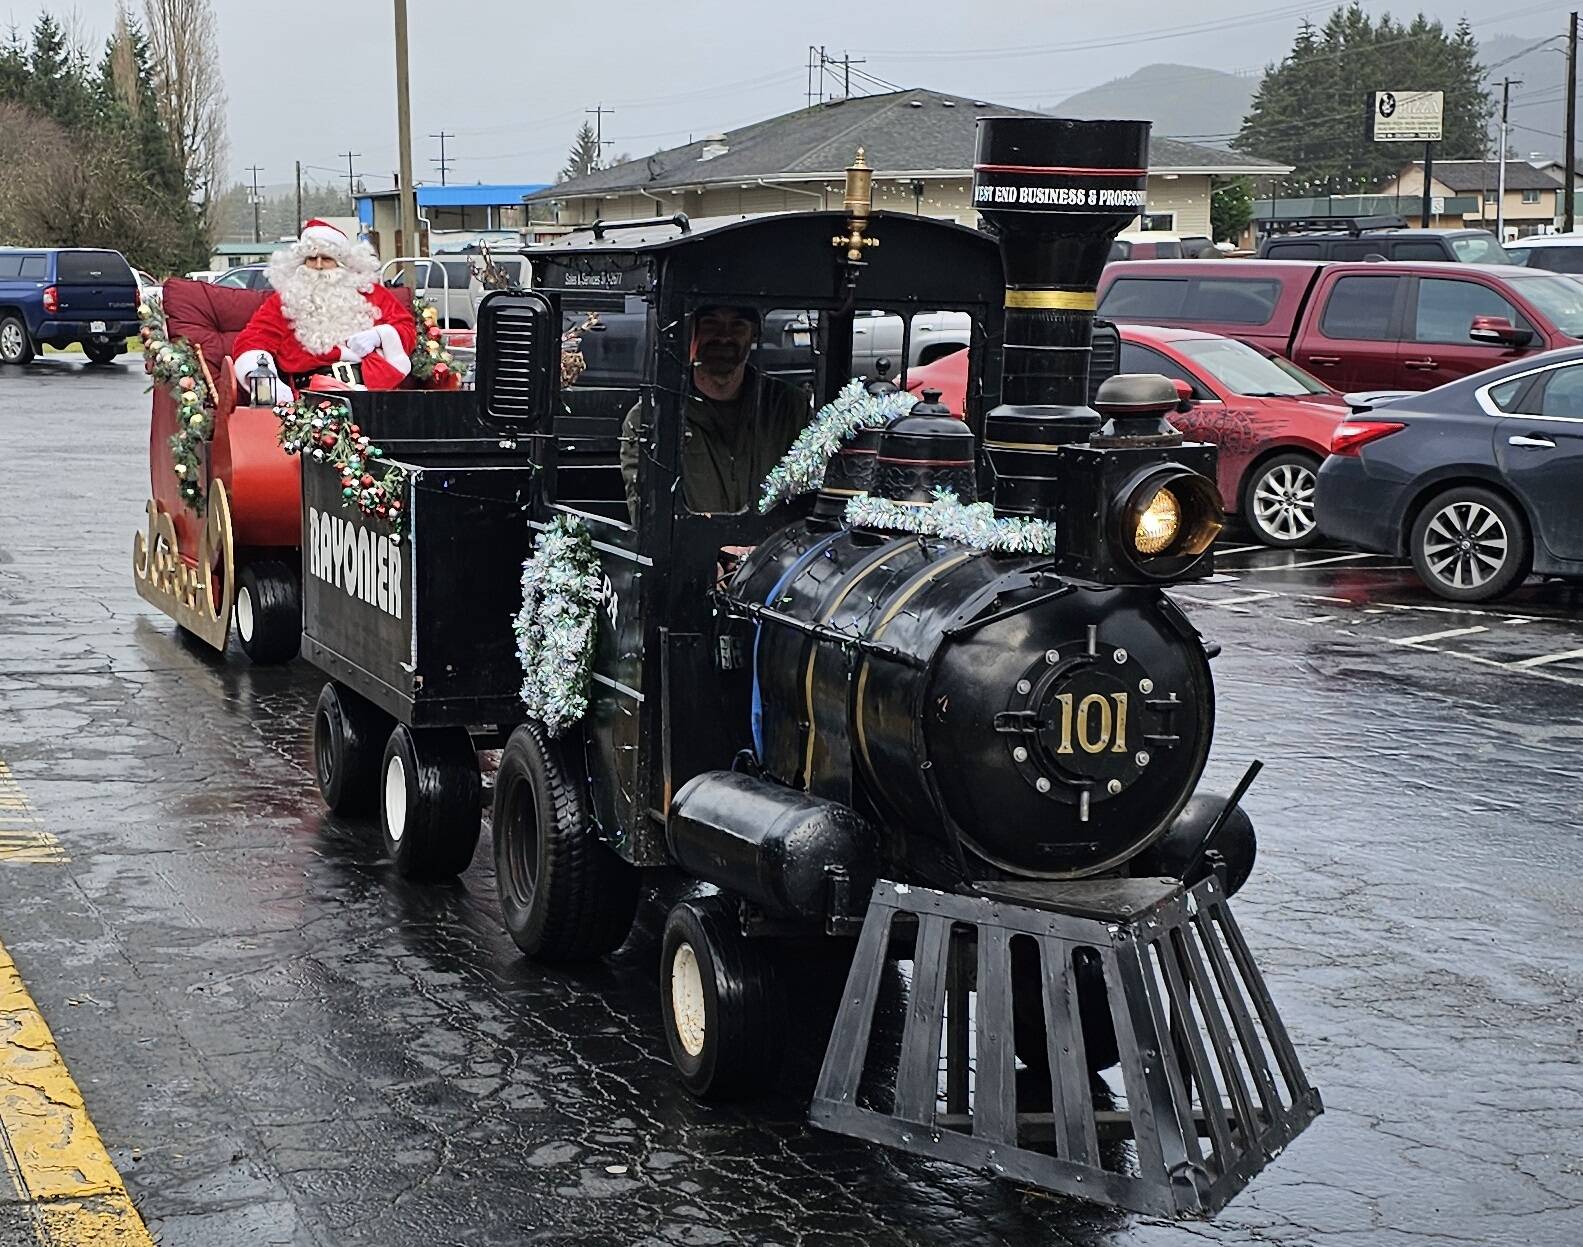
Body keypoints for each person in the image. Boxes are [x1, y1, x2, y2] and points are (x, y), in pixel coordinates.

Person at [620, 305, 810, 520]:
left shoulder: (789, 408)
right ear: (691, 333)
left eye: (738, 325)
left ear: (753, 334)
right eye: (711, 323)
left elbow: (811, 501)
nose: (724, 336)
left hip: (774, 550)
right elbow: (649, 519)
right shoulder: (653, 417)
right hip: (693, 553)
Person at [232, 219, 417, 403]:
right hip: (313, 399)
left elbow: (406, 329)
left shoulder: (371, 293)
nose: (318, 266)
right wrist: (266, 383)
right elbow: (253, 340)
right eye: (312, 259)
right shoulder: (286, 300)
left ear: (342, 263)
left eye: (327, 259)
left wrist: (381, 334)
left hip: (371, 392)